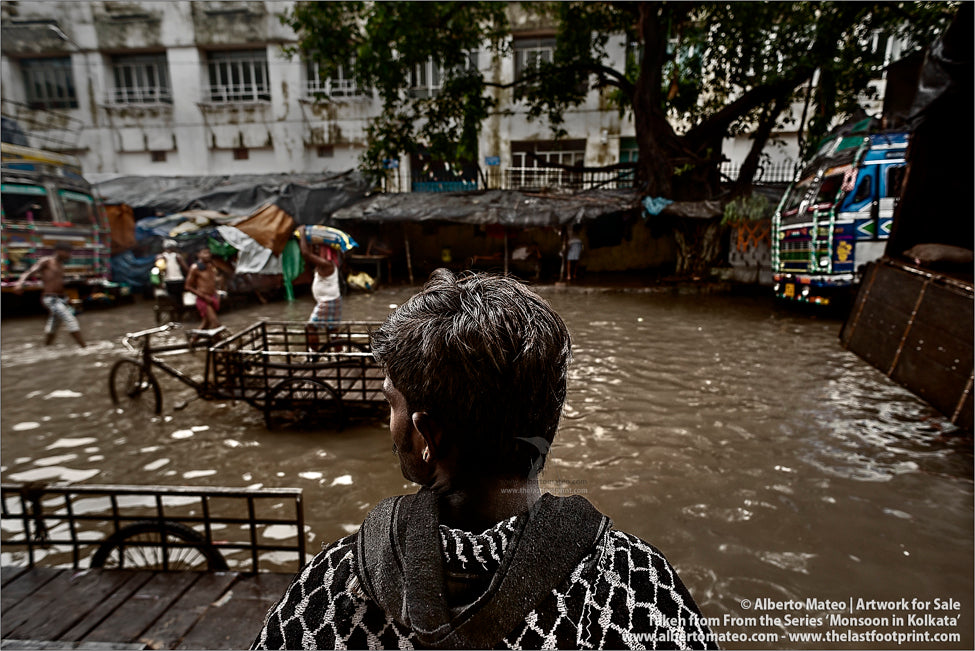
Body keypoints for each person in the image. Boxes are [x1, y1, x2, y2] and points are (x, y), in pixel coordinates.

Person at [252, 269, 716, 650]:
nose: (388, 421)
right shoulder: (638, 589)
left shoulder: (337, 588)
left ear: (426, 434)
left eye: (391, 402)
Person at [14, 241, 86, 347]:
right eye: (68, 252)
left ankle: (46, 347)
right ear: (60, 251)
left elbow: (58, 283)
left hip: (61, 298)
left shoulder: (60, 265)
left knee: (54, 324)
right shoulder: (47, 261)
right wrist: (20, 283)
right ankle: (84, 347)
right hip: (51, 299)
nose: (69, 255)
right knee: (70, 319)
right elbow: (29, 272)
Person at [299, 228, 342, 350]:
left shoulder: (326, 264)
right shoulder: (325, 264)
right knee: (332, 330)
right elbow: (310, 253)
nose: (317, 251)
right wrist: (310, 240)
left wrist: (302, 234)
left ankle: (314, 355)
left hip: (329, 301)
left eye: (319, 249)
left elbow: (306, 254)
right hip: (332, 300)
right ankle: (340, 355)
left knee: (311, 327)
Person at [184, 248, 221, 332]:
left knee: (206, 324)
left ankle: (192, 342)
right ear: (198, 255)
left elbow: (213, 282)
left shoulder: (210, 265)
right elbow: (188, 286)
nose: (208, 255)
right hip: (204, 299)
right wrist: (204, 296)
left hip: (212, 297)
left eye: (208, 252)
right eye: (204, 253)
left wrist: (217, 294)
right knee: (216, 324)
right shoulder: (195, 268)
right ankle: (223, 344)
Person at [156, 240, 188, 307]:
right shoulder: (178, 256)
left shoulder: (161, 257)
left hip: (168, 281)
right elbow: (185, 269)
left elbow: (159, 270)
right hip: (179, 280)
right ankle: (180, 312)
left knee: (172, 297)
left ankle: (174, 310)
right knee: (179, 297)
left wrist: (160, 282)